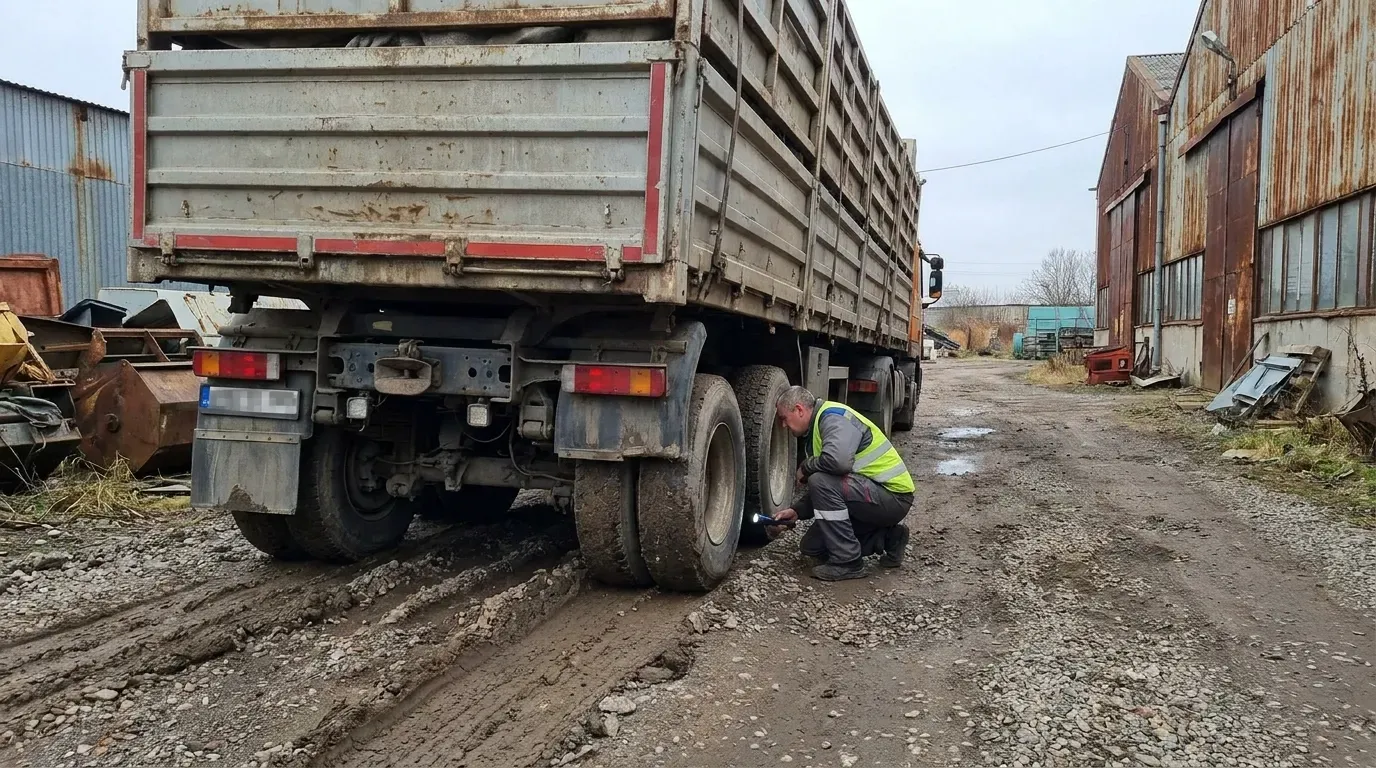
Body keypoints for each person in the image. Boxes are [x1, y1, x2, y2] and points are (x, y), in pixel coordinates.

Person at [769, 385, 915, 581]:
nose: (784, 426)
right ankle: (889, 538)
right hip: (871, 497)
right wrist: (797, 511)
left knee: (818, 478)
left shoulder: (833, 418)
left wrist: (806, 466)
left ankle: (848, 562)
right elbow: (833, 486)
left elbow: (838, 464)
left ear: (799, 410)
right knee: (811, 547)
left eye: (784, 418)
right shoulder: (818, 428)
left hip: (893, 497)